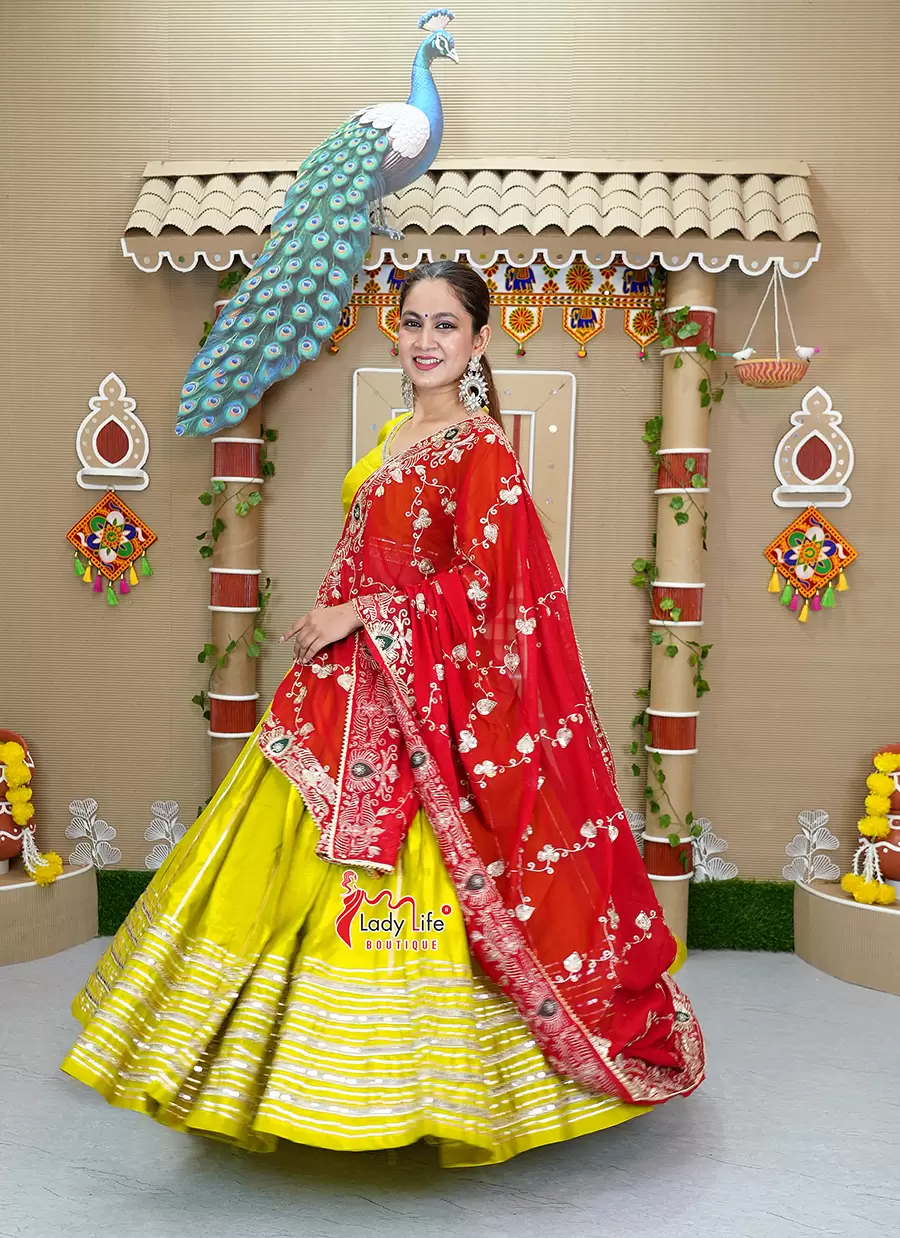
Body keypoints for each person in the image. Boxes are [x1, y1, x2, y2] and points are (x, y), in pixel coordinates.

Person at [62, 260, 704, 1168]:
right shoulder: (400, 432)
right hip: (346, 682)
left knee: (414, 879)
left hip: (415, 698)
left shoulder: (480, 449)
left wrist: (362, 613)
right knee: (279, 853)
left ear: (480, 341)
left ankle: (418, 1090)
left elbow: (487, 587)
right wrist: (340, 621)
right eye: (413, 322)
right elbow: (379, 550)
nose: (425, 341)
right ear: (394, 332)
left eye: (446, 325)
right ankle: (264, 1073)